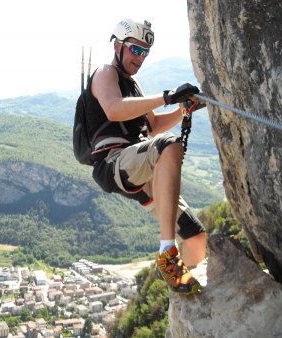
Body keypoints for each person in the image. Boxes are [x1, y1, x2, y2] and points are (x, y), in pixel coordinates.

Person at [84, 18, 207, 294]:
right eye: (134, 50)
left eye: (144, 52)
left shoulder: (134, 86)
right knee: (169, 146)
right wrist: (167, 97)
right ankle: (167, 251)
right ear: (118, 46)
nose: (140, 58)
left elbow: (151, 127)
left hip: (138, 165)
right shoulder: (105, 74)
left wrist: (183, 110)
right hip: (114, 161)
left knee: (196, 238)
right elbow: (114, 109)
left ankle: (175, 278)